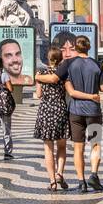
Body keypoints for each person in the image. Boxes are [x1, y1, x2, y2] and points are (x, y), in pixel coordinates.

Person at [63, 35, 103, 193]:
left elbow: (69, 89)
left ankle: (81, 181)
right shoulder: (97, 65)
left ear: (75, 47)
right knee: (95, 144)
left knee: (78, 147)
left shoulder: (69, 65)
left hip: (75, 111)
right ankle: (94, 174)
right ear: (89, 47)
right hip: (94, 110)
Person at [32, 44, 72, 188]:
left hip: (46, 111)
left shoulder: (41, 74)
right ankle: (59, 173)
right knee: (62, 146)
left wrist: (38, 80)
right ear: (61, 59)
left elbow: (38, 95)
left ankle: (52, 181)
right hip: (60, 110)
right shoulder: (64, 73)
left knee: (48, 148)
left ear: (48, 59)